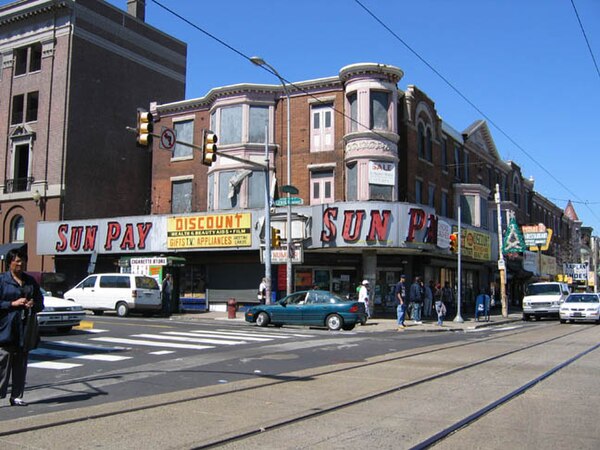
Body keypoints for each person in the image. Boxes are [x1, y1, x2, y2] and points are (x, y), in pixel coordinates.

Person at [0, 248, 44, 406]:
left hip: (25, 328)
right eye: (17, 261)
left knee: (21, 364)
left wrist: (33, 304)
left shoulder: (30, 281)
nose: (21, 264)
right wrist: (12, 303)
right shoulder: (2, 280)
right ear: (9, 263)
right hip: (5, 328)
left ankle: (17, 396)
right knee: (2, 364)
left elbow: (40, 304)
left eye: (23, 261)